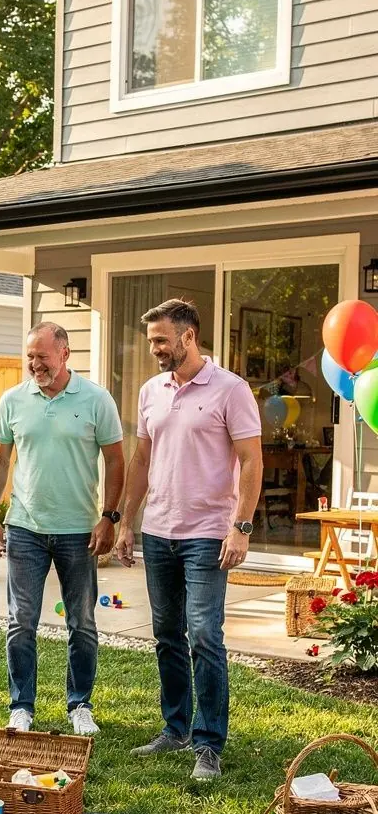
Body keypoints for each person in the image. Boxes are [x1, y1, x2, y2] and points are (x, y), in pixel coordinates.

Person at [115, 299, 263, 781]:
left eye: (161, 340)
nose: (154, 349)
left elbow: (251, 461)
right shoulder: (151, 390)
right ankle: (175, 729)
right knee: (166, 636)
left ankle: (208, 743)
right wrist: (125, 521)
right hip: (159, 531)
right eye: (151, 340)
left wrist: (240, 526)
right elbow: (140, 460)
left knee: (203, 635)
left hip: (207, 534)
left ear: (188, 337)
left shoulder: (230, 389)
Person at [0, 321, 124, 736]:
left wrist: (109, 516)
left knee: (81, 622)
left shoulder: (96, 400)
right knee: (20, 620)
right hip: (25, 526)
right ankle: (21, 706)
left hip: (79, 530)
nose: (34, 364)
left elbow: (116, 461)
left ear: (65, 354)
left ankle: (79, 704)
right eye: (30, 356)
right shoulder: (13, 400)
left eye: (42, 356)